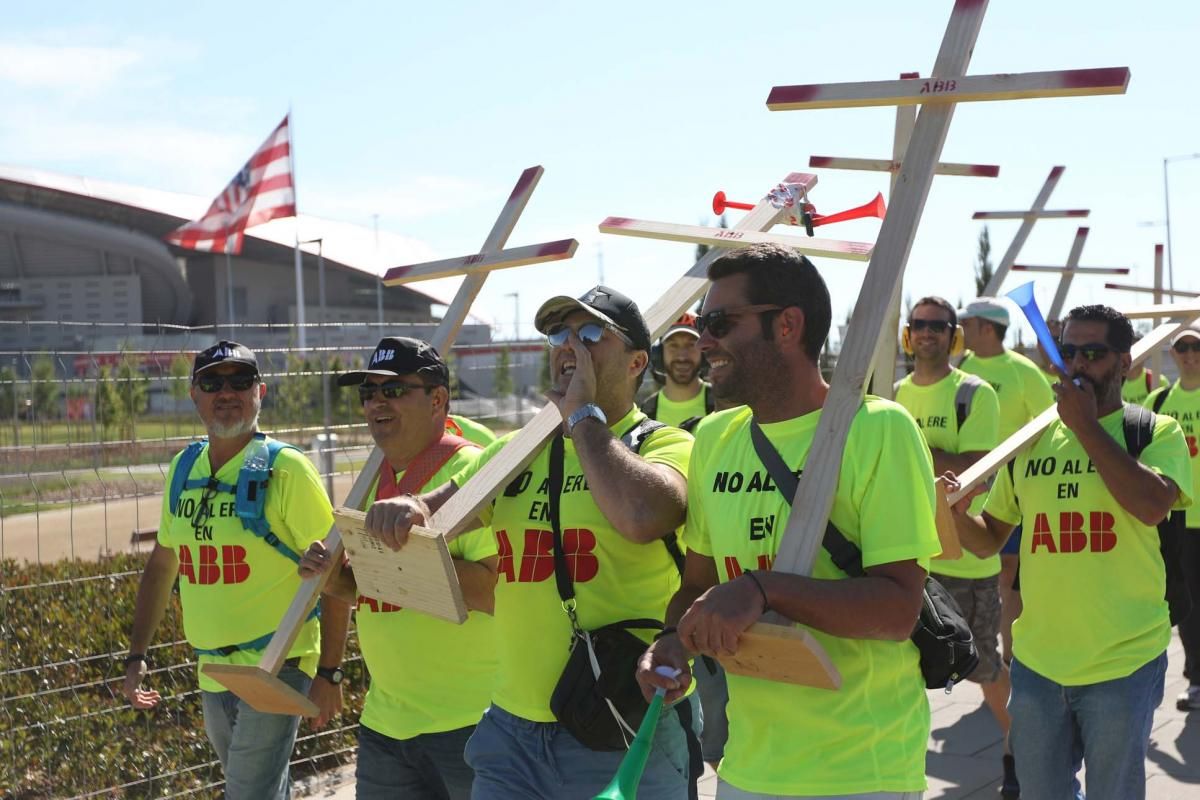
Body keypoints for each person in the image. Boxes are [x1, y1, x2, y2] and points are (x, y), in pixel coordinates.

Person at [355, 286, 701, 799]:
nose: (569, 347)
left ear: (637, 362)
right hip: (511, 736)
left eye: (589, 334)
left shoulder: (663, 444)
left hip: (618, 723)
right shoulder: (518, 450)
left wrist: (581, 416)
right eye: (559, 334)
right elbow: (446, 507)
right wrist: (414, 507)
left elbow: (641, 515)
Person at [637, 244, 940, 798]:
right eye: (703, 324)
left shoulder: (878, 430)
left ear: (788, 325)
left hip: (859, 772)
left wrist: (763, 590)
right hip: (747, 768)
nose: (704, 341)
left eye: (720, 323)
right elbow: (699, 587)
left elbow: (899, 609)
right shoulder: (714, 439)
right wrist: (671, 643)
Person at [947, 305, 1193, 800]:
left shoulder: (1154, 431)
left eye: (1093, 353)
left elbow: (1150, 506)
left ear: (1124, 363)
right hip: (1038, 664)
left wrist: (1085, 428)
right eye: (1069, 352)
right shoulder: (1034, 442)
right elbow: (990, 538)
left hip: (1123, 661)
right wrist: (951, 510)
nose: (1077, 364)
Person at [123, 341, 349, 800]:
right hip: (213, 668)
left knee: (248, 793)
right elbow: (164, 564)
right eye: (212, 382)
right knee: (260, 789)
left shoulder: (288, 471)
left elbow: (338, 578)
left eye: (240, 381)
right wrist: (136, 656)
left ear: (260, 391)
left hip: (277, 663)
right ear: (193, 394)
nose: (227, 392)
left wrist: (330, 674)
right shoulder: (184, 468)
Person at [299, 337, 498, 799]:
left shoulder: (472, 472)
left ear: (438, 400)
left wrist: (400, 561)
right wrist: (334, 578)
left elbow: (495, 589)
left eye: (393, 390)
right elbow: (374, 590)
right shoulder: (375, 478)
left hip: (470, 723)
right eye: (368, 393)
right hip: (386, 724)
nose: (376, 403)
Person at [895, 296, 1013, 795]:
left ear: (953, 335)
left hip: (965, 562)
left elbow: (976, 471)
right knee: (909, 666)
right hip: (910, 555)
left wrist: (910, 448)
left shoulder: (974, 393)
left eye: (937, 326)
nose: (927, 333)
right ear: (908, 333)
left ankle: (1020, 745)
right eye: (919, 325)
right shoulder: (896, 391)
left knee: (984, 668)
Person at [958, 297, 1055, 674]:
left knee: (1009, 570)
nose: (961, 330)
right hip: (968, 489)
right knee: (985, 570)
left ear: (986, 327)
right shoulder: (962, 368)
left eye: (967, 322)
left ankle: (1010, 654)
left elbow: (1051, 424)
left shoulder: (1023, 371)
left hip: (1012, 491)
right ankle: (985, 649)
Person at [1146, 323, 1200, 711]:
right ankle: (1196, 678)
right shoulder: (1159, 400)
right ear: (1173, 352)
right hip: (1181, 518)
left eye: (1197, 348)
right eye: (1183, 348)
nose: (1190, 355)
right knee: (1188, 602)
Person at [641, 312, 715, 430]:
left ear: (703, 352)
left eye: (691, 345)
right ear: (659, 354)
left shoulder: (722, 403)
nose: (682, 357)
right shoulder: (647, 413)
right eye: (673, 345)